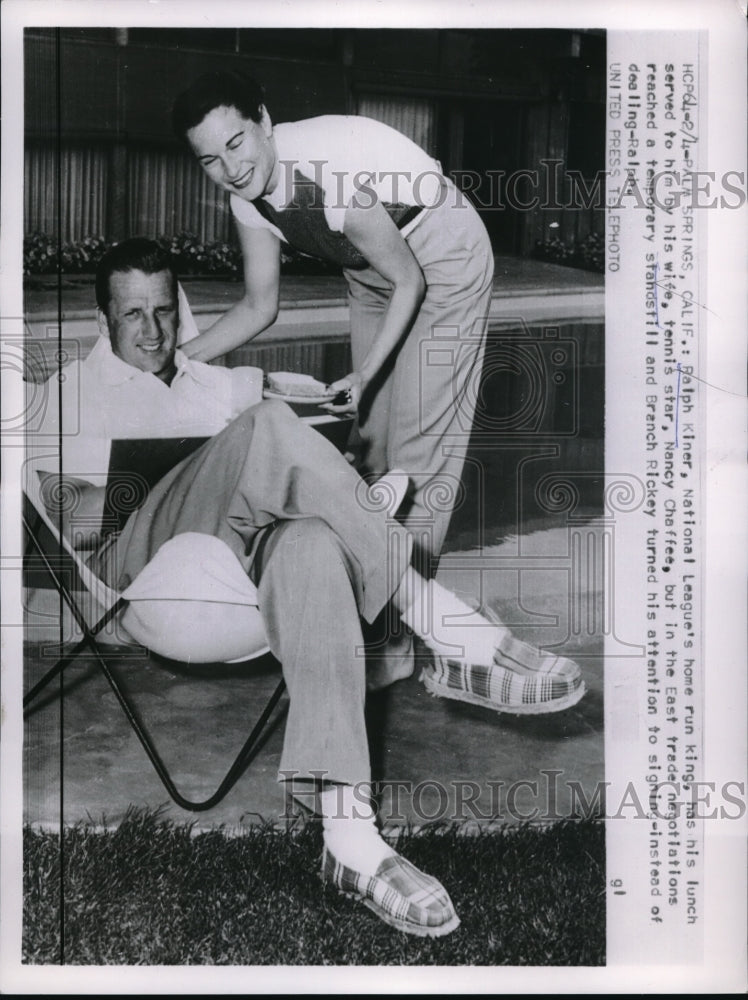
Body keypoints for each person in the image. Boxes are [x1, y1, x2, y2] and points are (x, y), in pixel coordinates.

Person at [31, 239, 584, 938]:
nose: (153, 331)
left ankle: (349, 839)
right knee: (264, 431)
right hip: (144, 576)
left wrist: (310, 456)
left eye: (164, 311)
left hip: (242, 574)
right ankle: (444, 625)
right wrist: (191, 470)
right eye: (132, 314)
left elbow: (305, 432)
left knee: (315, 541)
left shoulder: (213, 382)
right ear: (102, 320)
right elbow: (68, 520)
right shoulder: (71, 392)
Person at [171, 71, 495, 684]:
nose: (231, 169)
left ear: (264, 122)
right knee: (367, 445)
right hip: (373, 267)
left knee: (419, 450)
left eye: (237, 143)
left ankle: (398, 640)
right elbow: (259, 305)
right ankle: (369, 608)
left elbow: (412, 281)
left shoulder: (326, 171)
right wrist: (178, 360)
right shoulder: (246, 197)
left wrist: (365, 373)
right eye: (210, 160)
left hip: (441, 255)